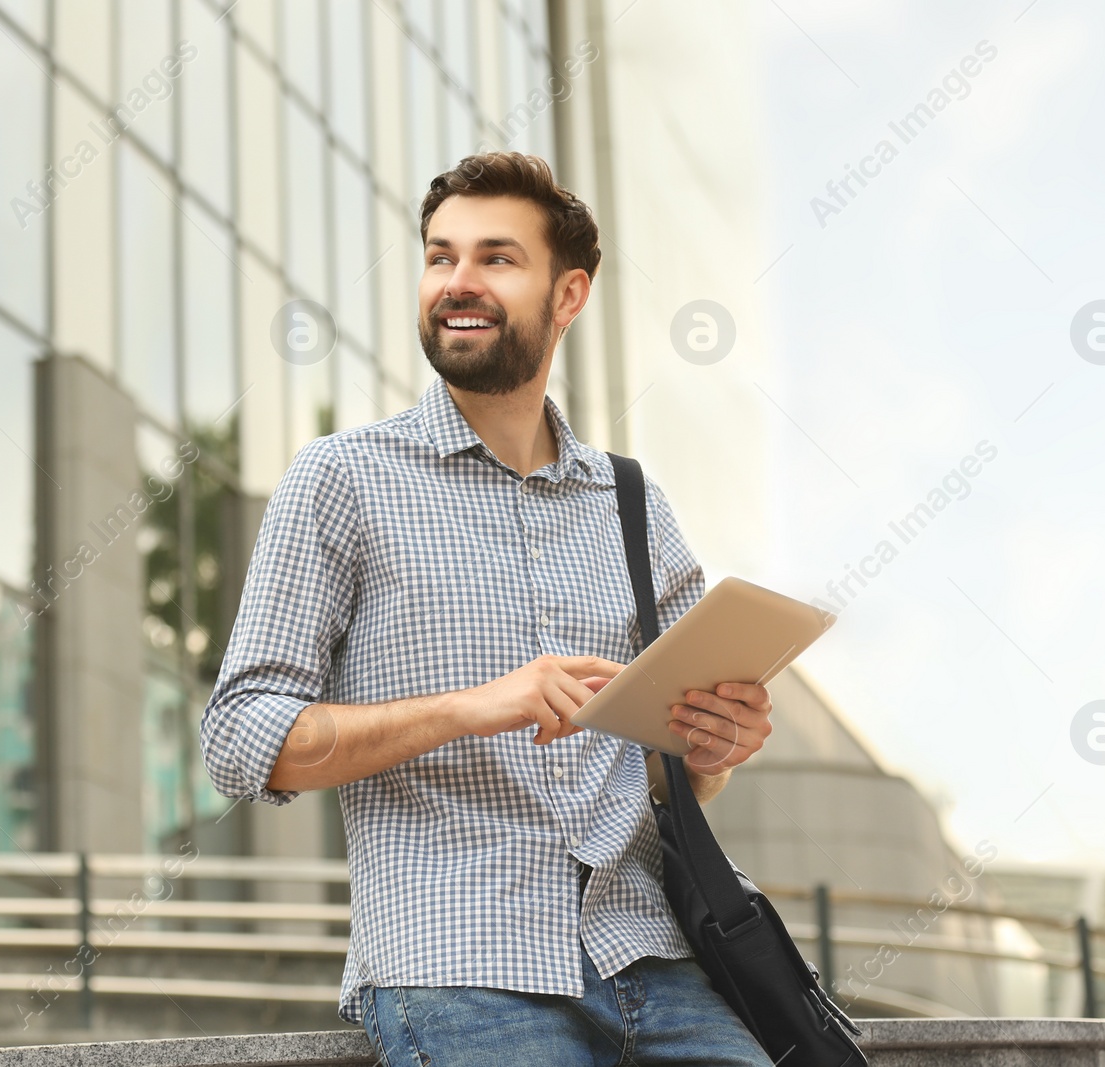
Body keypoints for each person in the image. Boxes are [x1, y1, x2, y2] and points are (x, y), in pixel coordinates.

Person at [201, 151, 777, 1065]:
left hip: (657, 960)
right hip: (460, 965)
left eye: (496, 258)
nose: (456, 283)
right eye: (440, 256)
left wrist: (710, 748)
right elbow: (239, 740)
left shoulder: (632, 505)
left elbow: (671, 779)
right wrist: (478, 706)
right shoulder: (342, 480)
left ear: (569, 294)